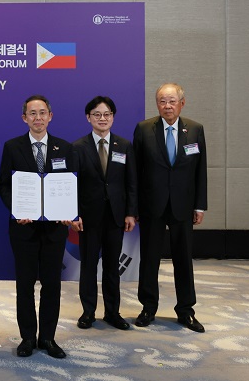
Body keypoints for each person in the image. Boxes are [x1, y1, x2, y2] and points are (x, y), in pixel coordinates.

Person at [0, 95, 74, 359]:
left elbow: (71, 185)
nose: (38, 118)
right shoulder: (12, 147)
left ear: (50, 116)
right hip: (23, 228)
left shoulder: (65, 148)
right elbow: (3, 185)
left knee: (52, 284)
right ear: (24, 118)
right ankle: (28, 337)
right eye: (32, 113)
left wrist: (68, 211)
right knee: (25, 284)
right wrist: (17, 208)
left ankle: (48, 338)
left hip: (55, 229)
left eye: (42, 113)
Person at [133, 83, 207, 332]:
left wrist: (200, 206)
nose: (167, 106)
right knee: (149, 259)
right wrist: (134, 208)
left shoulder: (195, 129)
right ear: (157, 104)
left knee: (183, 259)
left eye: (172, 101)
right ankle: (148, 308)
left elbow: (200, 171)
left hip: (183, 205)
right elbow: (135, 172)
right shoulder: (144, 129)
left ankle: (186, 310)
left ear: (182, 103)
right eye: (162, 101)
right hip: (151, 205)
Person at [69, 96, 137, 331]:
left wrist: (131, 213)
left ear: (113, 117)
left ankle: (112, 312)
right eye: (97, 114)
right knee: (88, 266)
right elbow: (72, 185)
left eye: (107, 114)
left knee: (111, 267)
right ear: (88, 118)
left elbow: (131, 183)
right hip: (88, 218)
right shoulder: (78, 147)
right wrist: (75, 214)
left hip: (116, 217)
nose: (102, 118)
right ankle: (88, 312)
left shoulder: (124, 146)